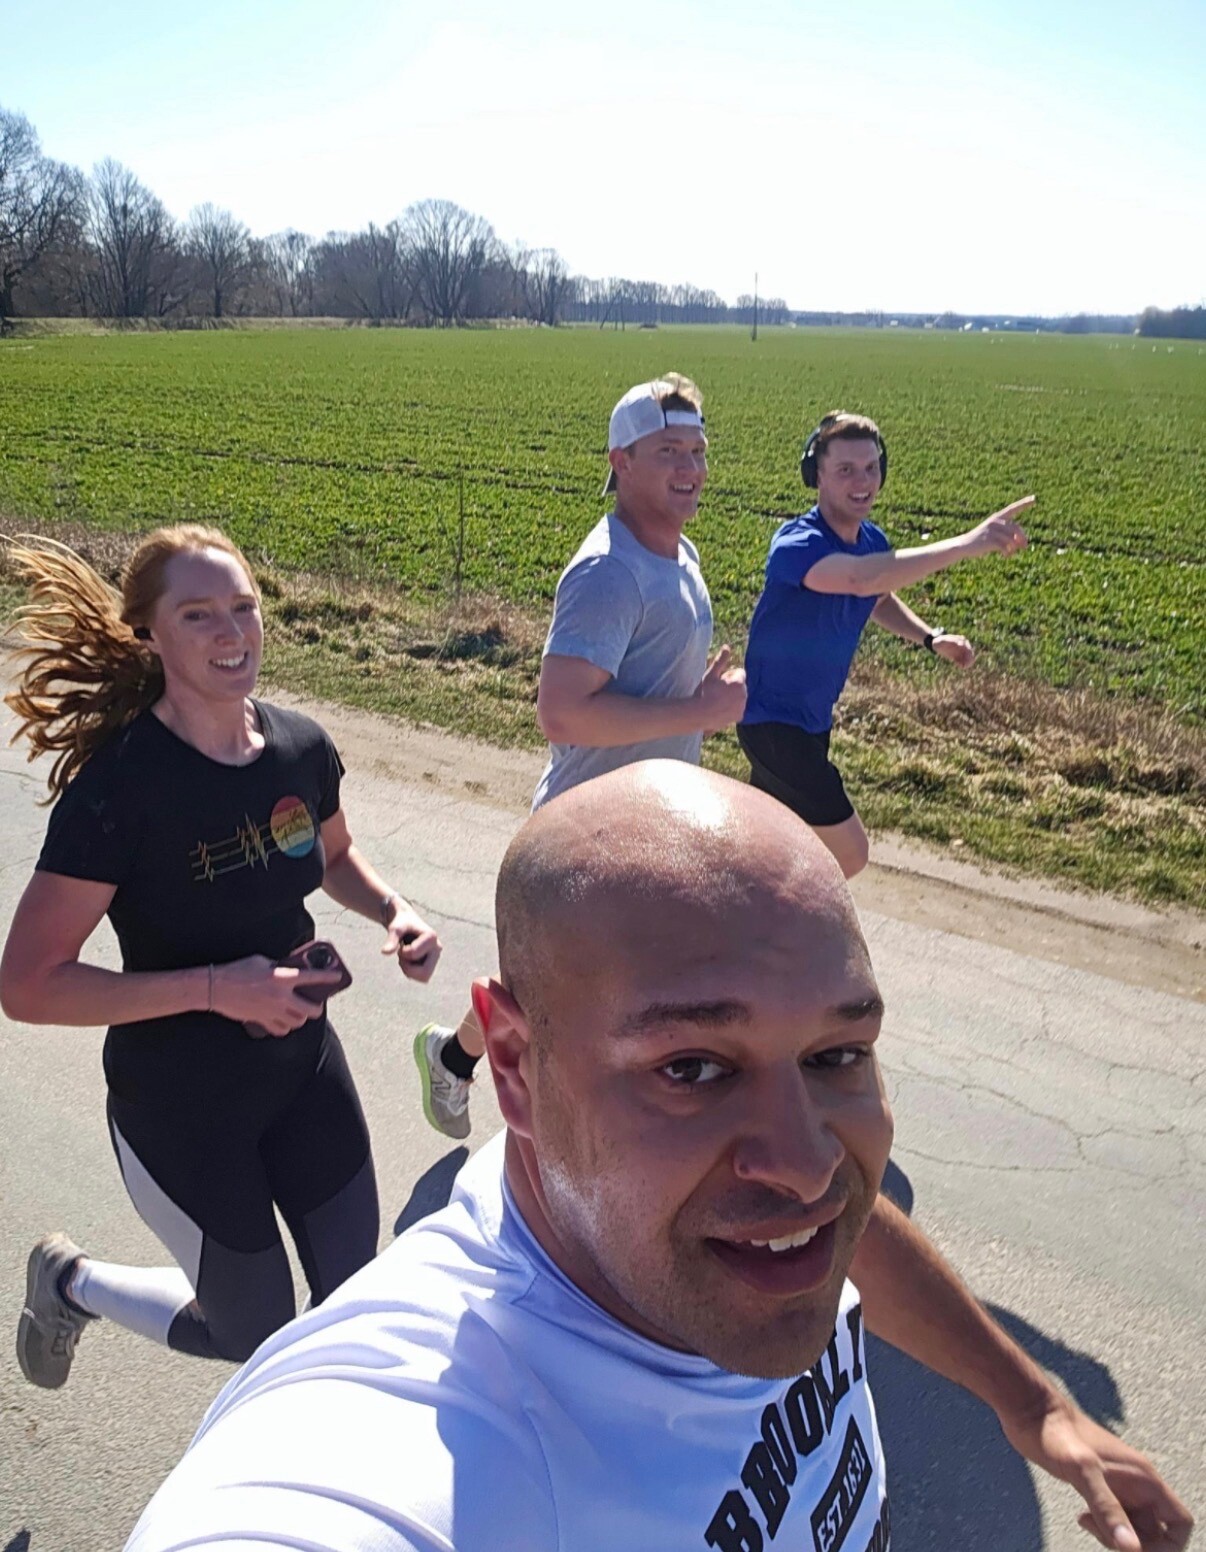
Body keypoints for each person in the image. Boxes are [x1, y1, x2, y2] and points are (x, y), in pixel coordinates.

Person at [125, 763, 1193, 1552]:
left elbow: (848, 1225)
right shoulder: (408, 1449)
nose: (805, 1164)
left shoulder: (673, 1204)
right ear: (512, 1066)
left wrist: (1030, 1402)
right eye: (692, 1068)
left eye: (836, 1054)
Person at [1, 527, 442, 1384]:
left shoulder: (300, 747)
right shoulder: (118, 791)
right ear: (150, 634)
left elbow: (332, 855)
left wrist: (394, 910)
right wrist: (215, 989)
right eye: (198, 614)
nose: (232, 631)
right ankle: (71, 1281)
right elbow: (28, 985)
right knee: (252, 1330)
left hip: (303, 1071)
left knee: (352, 1300)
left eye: (243, 606)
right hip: (179, 1105)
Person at [412, 373, 746, 1138]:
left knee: (582, 991)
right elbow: (560, 712)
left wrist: (693, 698)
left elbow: (638, 682)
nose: (691, 467)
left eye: (697, 450)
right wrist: (697, 711)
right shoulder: (608, 572)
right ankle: (543, 1129)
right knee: (558, 1001)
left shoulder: (679, 553)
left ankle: (465, 1065)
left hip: (652, 823)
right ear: (620, 461)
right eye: (669, 451)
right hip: (584, 834)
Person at [739, 410, 1033, 878]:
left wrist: (930, 638)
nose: (863, 481)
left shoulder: (871, 542)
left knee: (767, 844)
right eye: (845, 469)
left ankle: (739, 908)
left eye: (871, 467)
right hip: (772, 723)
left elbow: (877, 596)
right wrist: (965, 544)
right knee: (848, 853)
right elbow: (860, 580)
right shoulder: (796, 543)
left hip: (812, 721)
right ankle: (782, 914)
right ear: (816, 475)